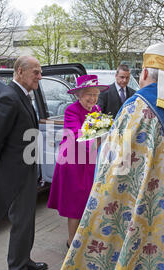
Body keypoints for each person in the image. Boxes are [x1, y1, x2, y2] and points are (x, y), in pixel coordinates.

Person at [50, 40, 164, 270]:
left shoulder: (137, 108)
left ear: (147, 73)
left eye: (140, 71)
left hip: (133, 204)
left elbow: (113, 164)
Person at [0, 55, 47, 270]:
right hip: (15, 172)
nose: (39, 77)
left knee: (28, 219)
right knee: (21, 222)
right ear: (20, 71)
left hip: (27, 168)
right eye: (36, 72)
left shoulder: (21, 95)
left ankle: (25, 259)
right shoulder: (9, 98)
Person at [47, 74, 109, 249]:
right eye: (88, 93)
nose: (92, 98)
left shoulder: (96, 109)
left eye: (95, 94)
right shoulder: (71, 110)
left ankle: (85, 238)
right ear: (79, 95)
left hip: (90, 162)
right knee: (74, 205)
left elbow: (100, 133)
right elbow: (77, 135)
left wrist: (102, 135)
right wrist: (98, 135)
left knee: (89, 201)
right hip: (73, 163)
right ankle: (72, 242)